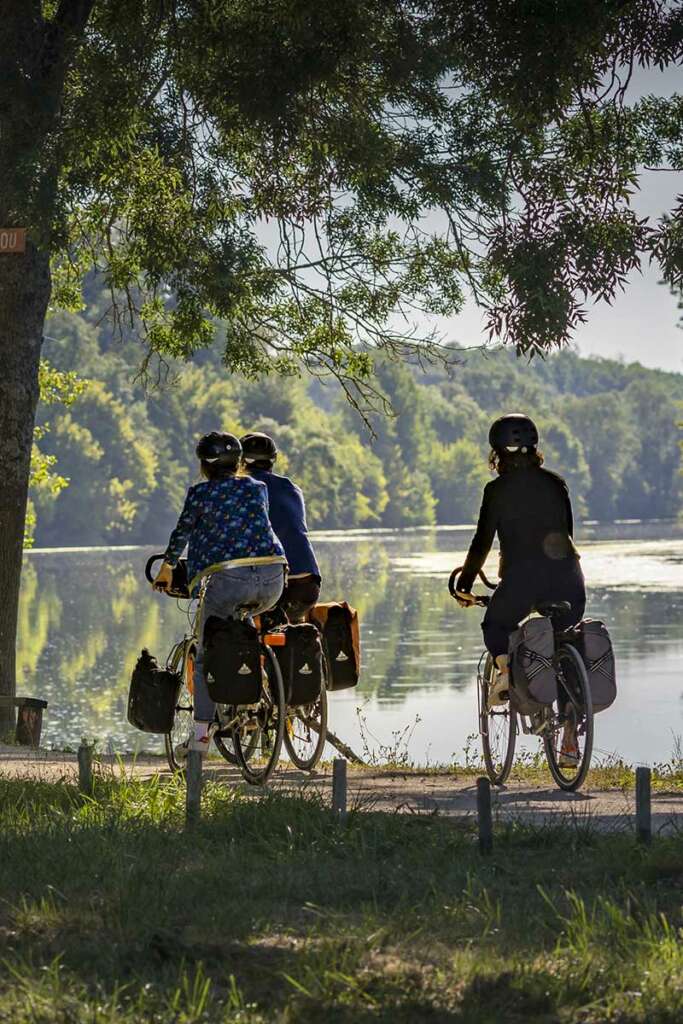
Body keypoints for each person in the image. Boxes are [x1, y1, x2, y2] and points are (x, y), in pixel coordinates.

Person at [453, 414, 585, 765]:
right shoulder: (556, 484)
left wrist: (465, 582)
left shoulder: (496, 490)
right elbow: (567, 534)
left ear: (496, 453)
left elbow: (482, 541)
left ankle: (506, 674)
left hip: (523, 579)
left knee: (496, 626)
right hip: (570, 579)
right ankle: (570, 736)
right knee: (564, 640)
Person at [151, 432, 286, 758]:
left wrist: (167, 568)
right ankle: (256, 693)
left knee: (204, 653)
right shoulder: (259, 488)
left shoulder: (200, 495)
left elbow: (182, 533)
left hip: (228, 579)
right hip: (273, 579)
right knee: (245, 624)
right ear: (240, 462)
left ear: (203, 466)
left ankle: (200, 736)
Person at [240, 432, 321, 622]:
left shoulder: (239, 490)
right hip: (307, 583)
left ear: (240, 460)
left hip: (269, 582)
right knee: (288, 629)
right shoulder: (291, 488)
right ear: (273, 459)